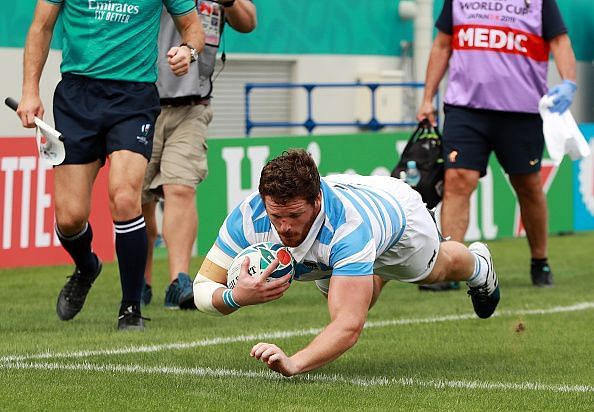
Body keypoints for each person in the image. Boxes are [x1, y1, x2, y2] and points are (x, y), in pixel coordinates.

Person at [192, 149, 500, 377]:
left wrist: (295, 363)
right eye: (276, 217)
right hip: (355, 235)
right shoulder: (249, 216)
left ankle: (480, 266)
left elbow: (349, 327)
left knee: (437, 270)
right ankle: (368, 275)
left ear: (316, 202)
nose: (284, 227)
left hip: (399, 219)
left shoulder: (348, 230)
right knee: (352, 296)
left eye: (295, 216)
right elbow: (202, 287)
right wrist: (235, 297)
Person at [16, 0, 204, 330]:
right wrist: (30, 89)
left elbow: (193, 27)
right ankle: (86, 265)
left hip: (133, 98)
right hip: (77, 96)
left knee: (124, 196)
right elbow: (41, 27)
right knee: (70, 216)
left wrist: (189, 51)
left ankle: (130, 307)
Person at [416, 0, 577, 288]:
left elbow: (560, 41)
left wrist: (569, 82)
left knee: (527, 184)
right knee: (457, 180)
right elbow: (442, 45)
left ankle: (539, 261)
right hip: (466, 109)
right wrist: (428, 97)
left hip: (522, 111)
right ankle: (451, 266)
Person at [142, 0, 257, 309]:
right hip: (141, 101)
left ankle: (179, 281)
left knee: (181, 187)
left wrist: (229, 4)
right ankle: (142, 279)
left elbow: (248, 21)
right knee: (139, 199)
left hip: (193, 105)